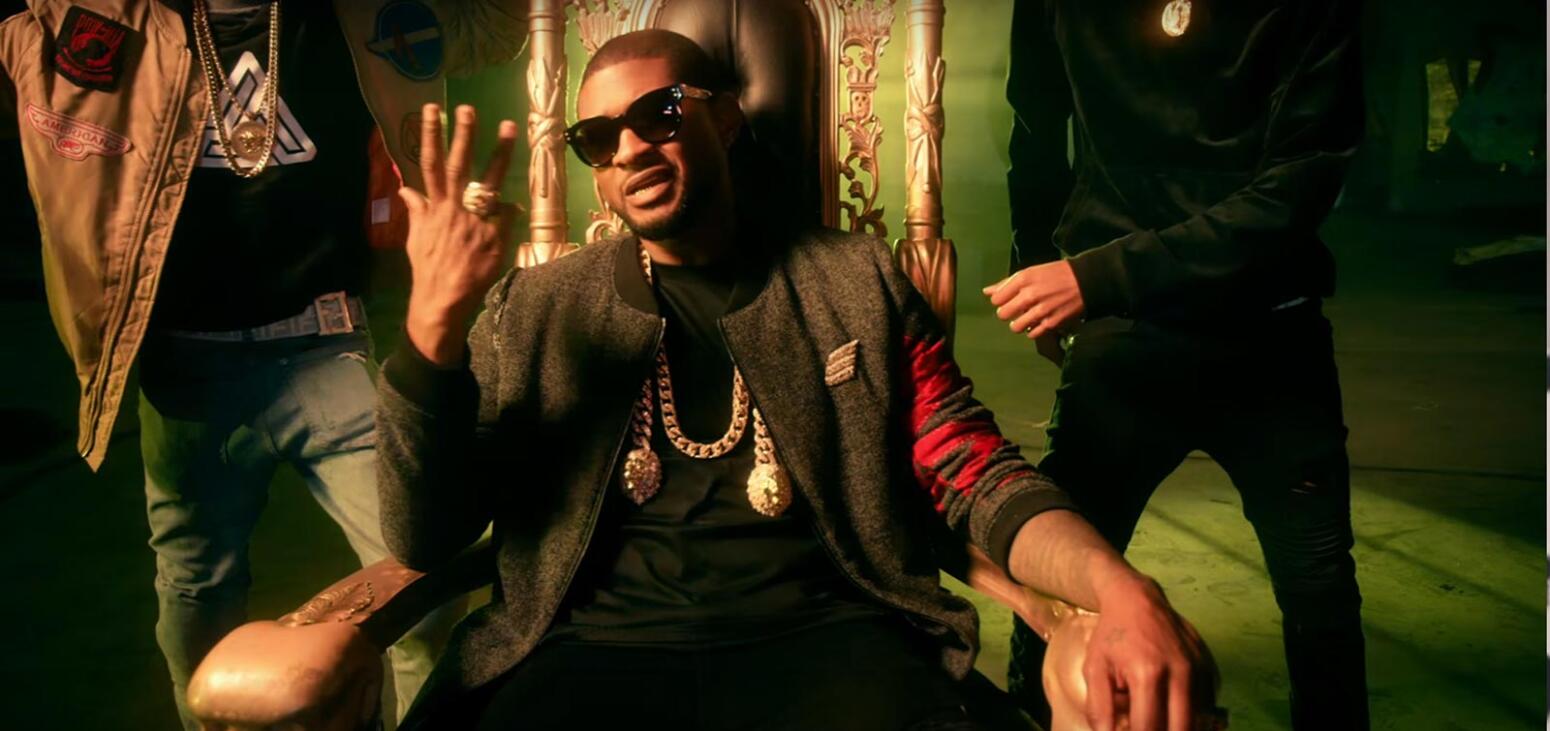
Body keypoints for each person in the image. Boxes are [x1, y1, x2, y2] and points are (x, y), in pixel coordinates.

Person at [380, 29, 1209, 731]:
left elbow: (973, 470)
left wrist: (1120, 588)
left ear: (725, 117)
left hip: (833, 642)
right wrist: (432, 332)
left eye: (659, 114)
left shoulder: (854, 282)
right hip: (589, 653)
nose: (629, 147)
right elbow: (424, 535)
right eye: (598, 138)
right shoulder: (534, 306)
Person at [0, 0, 523, 726]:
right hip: (188, 364)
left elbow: (498, 26)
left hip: (327, 345)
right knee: (195, 593)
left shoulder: (355, 13)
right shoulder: (113, 24)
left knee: (424, 572)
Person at [991, 1, 1368, 729]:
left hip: (1270, 330)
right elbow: (1034, 129)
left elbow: (1297, 189)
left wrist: (1093, 278)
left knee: (1319, 591)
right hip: (1124, 335)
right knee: (1059, 567)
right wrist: (1034, 261)